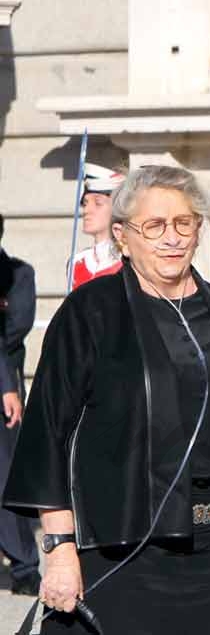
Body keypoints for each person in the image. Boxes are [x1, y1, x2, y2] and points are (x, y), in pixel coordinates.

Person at [3, 166, 210, 634]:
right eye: (155, 226)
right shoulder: (90, 313)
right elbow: (48, 434)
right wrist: (60, 549)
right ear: (123, 237)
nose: (172, 238)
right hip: (121, 553)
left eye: (184, 223)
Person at [0, 217, 40, 596]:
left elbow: (14, 328)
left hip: (3, 391)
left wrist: (6, 382)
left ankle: (25, 565)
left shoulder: (17, 274)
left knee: (6, 477)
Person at [70, 163, 125, 288]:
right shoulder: (76, 263)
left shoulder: (128, 261)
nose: (86, 210)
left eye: (98, 203)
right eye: (85, 203)